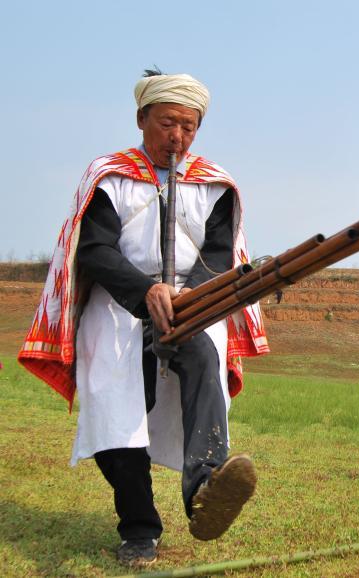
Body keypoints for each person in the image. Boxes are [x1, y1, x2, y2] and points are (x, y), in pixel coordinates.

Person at [18, 69, 269, 567]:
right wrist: (146, 290)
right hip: (119, 307)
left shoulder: (214, 186)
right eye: (167, 123)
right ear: (141, 119)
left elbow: (219, 256)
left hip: (190, 307)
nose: (177, 136)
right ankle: (139, 527)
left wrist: (190, 299)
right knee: (117, 415)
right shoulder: (108, 176)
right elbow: (94, 250)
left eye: (189, 126)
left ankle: (206, 486)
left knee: (203, 362)